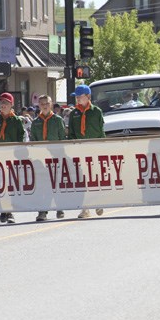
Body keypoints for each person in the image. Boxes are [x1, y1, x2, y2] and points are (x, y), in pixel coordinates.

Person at [68, 84, 106, 219]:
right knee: (82, 180)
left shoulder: (97, 111)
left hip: (95, 149)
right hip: (80, 150)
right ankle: (85, 209)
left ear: (88, 96)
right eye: (76, 97)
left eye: (80, 96)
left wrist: (103, 147)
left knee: (96, 177)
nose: (77, 99)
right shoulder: (74, 113)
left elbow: (101, 132)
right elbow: (71, 133)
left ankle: (98, 202)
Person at [0, 92, 25, 224]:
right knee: (1, 185)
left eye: (6, 103)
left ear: (11, 105)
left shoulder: (17, 121)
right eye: (1, 103)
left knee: (11, 185)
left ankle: (9, 212)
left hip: (12, 158)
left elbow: (21, 140)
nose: (3, 105)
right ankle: (4, 210)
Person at [30, 95, 67, 221]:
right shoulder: (35, 122)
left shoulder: (57, 120)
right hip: (41, 159)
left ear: (51, 104)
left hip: (55, 157)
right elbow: (33, 141)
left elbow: (62, 138)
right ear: (38, 105)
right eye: (41, 104)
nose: (44, 106)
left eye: (47, 103)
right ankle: (43, 211)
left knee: (56, 183)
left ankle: (60, 207)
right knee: (42, 185)